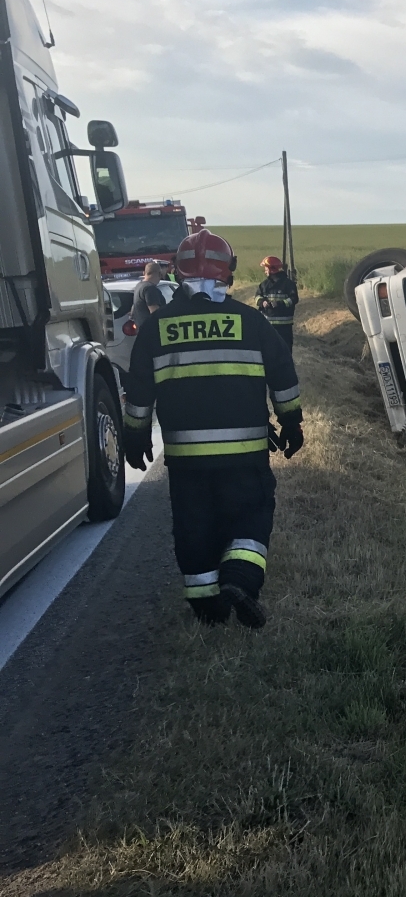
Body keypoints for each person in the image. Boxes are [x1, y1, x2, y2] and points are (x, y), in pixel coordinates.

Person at [121, 229, 303, 629]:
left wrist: (134, 436)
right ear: (229, 274)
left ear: (177, 273)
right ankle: (239, 580)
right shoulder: (252, 322)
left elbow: (137, 393)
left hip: (187, 462)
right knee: (250, 515)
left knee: (194, 527)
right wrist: (291, 422)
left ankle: (208, 611)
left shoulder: (157, 328)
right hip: (245, 455)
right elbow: (283, 376)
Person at [256, 255, 299, 348]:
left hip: (284, 327)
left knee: (285, 350)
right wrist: (262, 302)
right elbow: (257, 297)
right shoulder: (264, 285)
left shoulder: (288, 284)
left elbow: (293, 299)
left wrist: (280, 304)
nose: (265, 271)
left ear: (272, 269)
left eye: (266, 268)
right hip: (267, 325)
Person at [128, 261, 169, 329]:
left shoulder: (139, 286)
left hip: (141, 328)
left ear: (145, 273)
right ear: (159, 274)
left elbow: (134, 309)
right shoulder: (150, 288)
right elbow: (155, 313)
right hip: (151, 329)